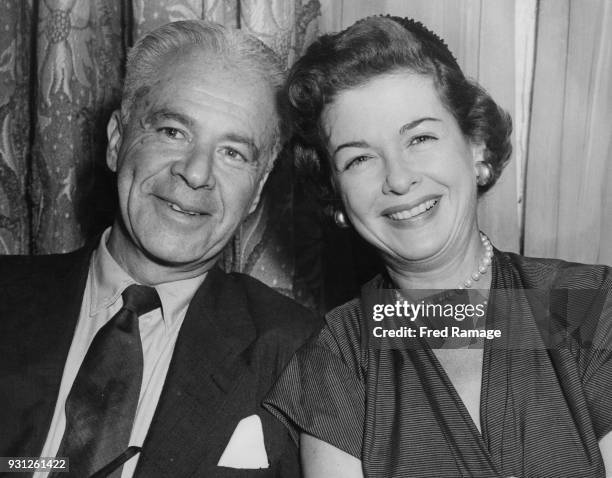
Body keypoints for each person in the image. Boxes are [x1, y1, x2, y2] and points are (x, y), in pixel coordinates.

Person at [263, 15, 612, 478]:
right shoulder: (339, 359)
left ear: (477, 147)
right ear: (337, 198)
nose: (399, 178)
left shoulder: (584, 306)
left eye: (420, 138)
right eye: (360, 158)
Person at [0, 20, 319, 478]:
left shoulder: (302, 354)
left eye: (233, 152)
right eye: (173, 131)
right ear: (116, 141)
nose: (195, 173)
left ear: (257, 191)